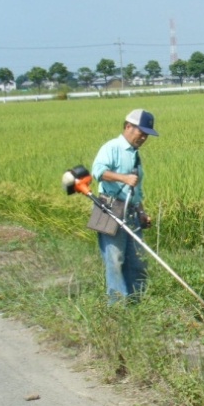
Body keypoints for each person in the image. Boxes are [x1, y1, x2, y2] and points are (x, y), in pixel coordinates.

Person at [90, 109, 158, 302]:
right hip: (109, 208)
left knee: (137, 260)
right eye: (141, 132)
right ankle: (118, 305)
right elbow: (98, 171)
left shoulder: (135, 154)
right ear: (128, 126)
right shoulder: (112, 147)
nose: (144, 137)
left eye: (146, 134)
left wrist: (141, 211)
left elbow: (135, 190)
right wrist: (123, 178)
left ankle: (137, 301)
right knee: (115, 259)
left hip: (131, 212)